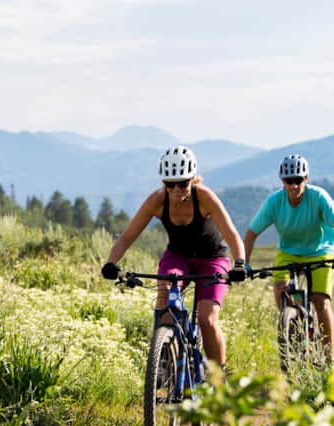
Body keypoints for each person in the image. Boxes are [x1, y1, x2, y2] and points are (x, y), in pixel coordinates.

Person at [101, 145, 246, 368]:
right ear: (164, 183)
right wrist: (111, 263)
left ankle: (219, 378)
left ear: (193, 179)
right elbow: (127, 237)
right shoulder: (157, 201)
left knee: (207, 320)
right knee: (165, 292)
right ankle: (164, 358)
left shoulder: (205, 198)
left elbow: (232, 234)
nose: (177, 189)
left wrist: (240, 264)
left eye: (183, 183)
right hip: (178, 257)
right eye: (170, 184)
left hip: (212, 259)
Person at [244, 154, 334, 360]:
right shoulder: (274, 202)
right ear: (282, 182)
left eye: (298, 180)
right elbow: (250, 234)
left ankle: (330, 358)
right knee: (280, 291)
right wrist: (244, 264)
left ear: (306, 179)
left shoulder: (319, 197)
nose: (294, 186)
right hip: (288, 252)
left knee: (320, 301)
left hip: (320, 250)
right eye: (289, 181)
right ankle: (292, 326)